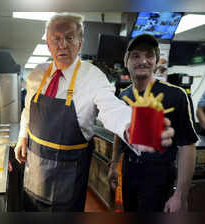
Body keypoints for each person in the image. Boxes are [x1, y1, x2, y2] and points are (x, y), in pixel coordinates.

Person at [14, 13, 174, 212]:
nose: (62, 44)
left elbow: (112, 108)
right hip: (34, 170)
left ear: (80, 43)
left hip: (68, 179)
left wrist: (136, 126)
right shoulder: (37, 73)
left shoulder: (93, 78)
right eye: (56, 38)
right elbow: (28, 109)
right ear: (48, 43)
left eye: (69, 38)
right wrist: (22, 137)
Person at [108, 34, 198, 212]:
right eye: (136, 56)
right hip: (129, 171)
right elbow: (120, 134)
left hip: (159, 175)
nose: (143, 61)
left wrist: (180, 195)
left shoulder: (176, 95)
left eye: (149, 56)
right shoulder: (123, 96)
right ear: (127, 62)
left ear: (156, 61)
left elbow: (187, 145)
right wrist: (114, 164)